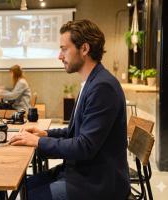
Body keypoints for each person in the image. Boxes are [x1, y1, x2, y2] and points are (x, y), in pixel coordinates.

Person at [9, 20, 130, 200]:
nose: (60, 56)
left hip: (98, 182)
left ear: (84, 49)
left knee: (30, 194)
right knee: (24, 187)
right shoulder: (91, 82)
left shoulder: (102, 87)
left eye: (64, 49)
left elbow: (85, 146)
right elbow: (76, 132)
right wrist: (45, 133)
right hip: (82, 171)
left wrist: (38, 142)